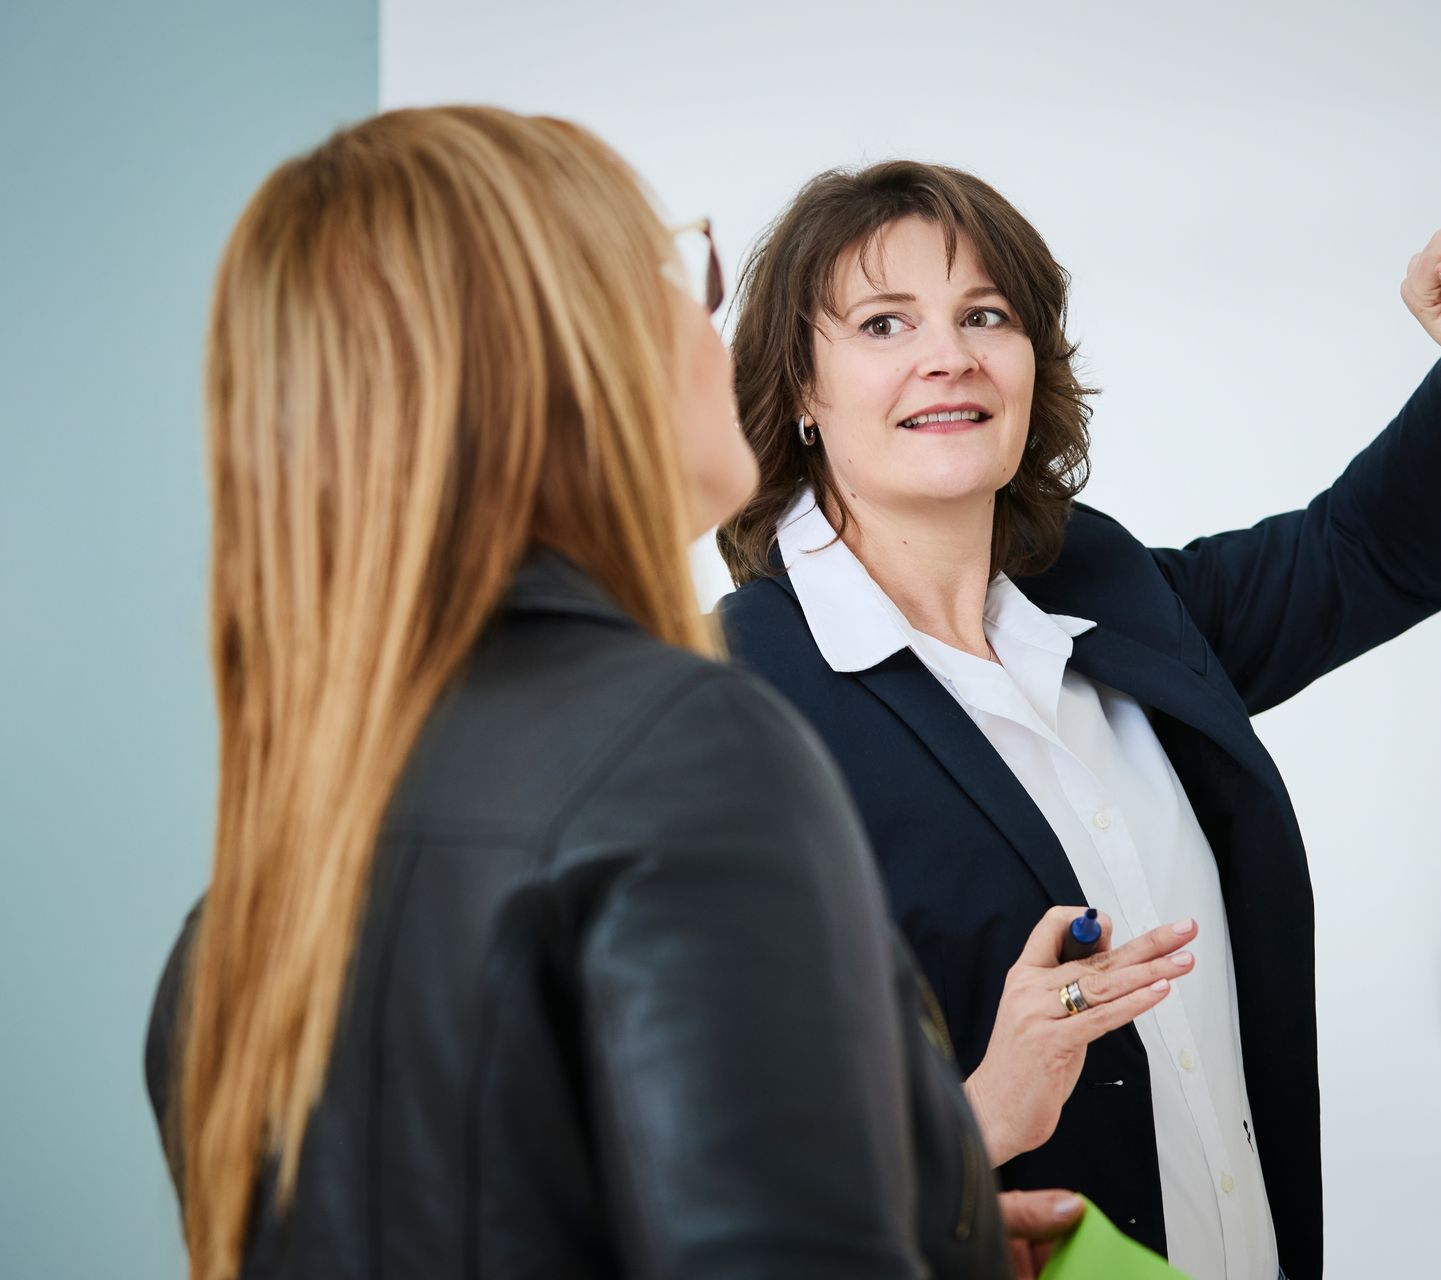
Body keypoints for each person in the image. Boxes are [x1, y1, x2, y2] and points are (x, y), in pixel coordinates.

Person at [143, 108, 1077, 1280]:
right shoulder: (692, 745)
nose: (712, 325)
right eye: (675, 272)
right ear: (563, 356)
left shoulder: (258, 887)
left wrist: (933, 1223)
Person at [715, 160, 1441, 1280]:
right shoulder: (724, 698)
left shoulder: (1100, 585)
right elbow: (698, 1152)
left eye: (987, 314)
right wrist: (975, 1113)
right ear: (798, 391)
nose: (951, 354)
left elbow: (1350, 559)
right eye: (885, 322)